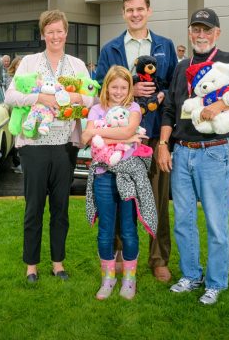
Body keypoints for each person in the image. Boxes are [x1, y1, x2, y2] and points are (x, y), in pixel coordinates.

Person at [158, 7, 229, 305]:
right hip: (182, 152)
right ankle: (190, 275)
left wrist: (222, 107)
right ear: (190, 32)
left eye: (207, 30)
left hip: (212, 153)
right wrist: (163, 143)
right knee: (183, 221)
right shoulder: (181, 66)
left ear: (217, 33)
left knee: (215, 222)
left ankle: (215, 282)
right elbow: (169, 111)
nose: (201, 35)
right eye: (196, 29)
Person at [5, 9, 97, 282]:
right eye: (50, 31)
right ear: (43, 34)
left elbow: (91, 97)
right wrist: (38, 99)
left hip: (65, 145)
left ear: (66, 33)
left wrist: (77, 99)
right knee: (34, 207)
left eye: (60, 31)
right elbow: (10, 95)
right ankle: (31, 265)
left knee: (60, 207)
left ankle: (58, 263)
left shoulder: (78, 65)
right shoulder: (30, 63)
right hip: (33, 145)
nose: (55, 36)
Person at [95, 0, 177, 283]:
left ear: (149, 11)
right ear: (124, 13)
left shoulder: (165, 46)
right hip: (120, 140)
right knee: (119, 197)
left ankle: (158, 258)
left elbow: (173, 90)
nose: (135, 14)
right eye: (130, 10)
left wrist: (161, 93)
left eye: (140, 9)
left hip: (154, 135)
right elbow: (100, 90)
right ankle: (118, 252)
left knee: (156, 200)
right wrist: (131, 88)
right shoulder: (111, 49)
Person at [82, 65, 153, 300]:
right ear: (107, 87)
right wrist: (123, 135)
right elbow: (85, 137)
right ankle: (108, 279)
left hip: (128, 175)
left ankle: (129, 280)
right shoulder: (95, 109)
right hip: (103, 174)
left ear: (129, 89)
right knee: (105, 231)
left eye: (124, 87)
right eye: (114, 87)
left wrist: (101, 133)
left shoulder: (133, 108)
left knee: (129, 230)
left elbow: (130, 131)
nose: (119, 91)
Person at [7, 56, 23, 174]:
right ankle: (17, 162)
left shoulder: (28, 79)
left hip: (23, 110)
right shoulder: (10, 79)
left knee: (22, 137)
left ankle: (21, 164)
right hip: (12, 110)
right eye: (18, 64)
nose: (20, 66)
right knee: (14, 137)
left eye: (22, 64)